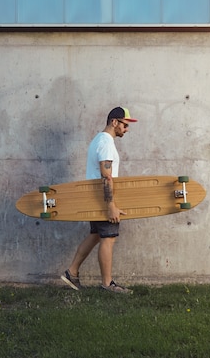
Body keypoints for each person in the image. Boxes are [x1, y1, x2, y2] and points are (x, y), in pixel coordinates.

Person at [61, 106, 137, 294]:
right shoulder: (106, 143)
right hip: (103, 200)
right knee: (108, 238)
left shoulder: (99, 140)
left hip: (95, 199)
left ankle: (71, 272)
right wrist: (111, 205)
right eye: (125, 125)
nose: (126, 129)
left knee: (96, 235)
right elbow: (107, 176)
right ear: (114, 122)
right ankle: (107, 284)